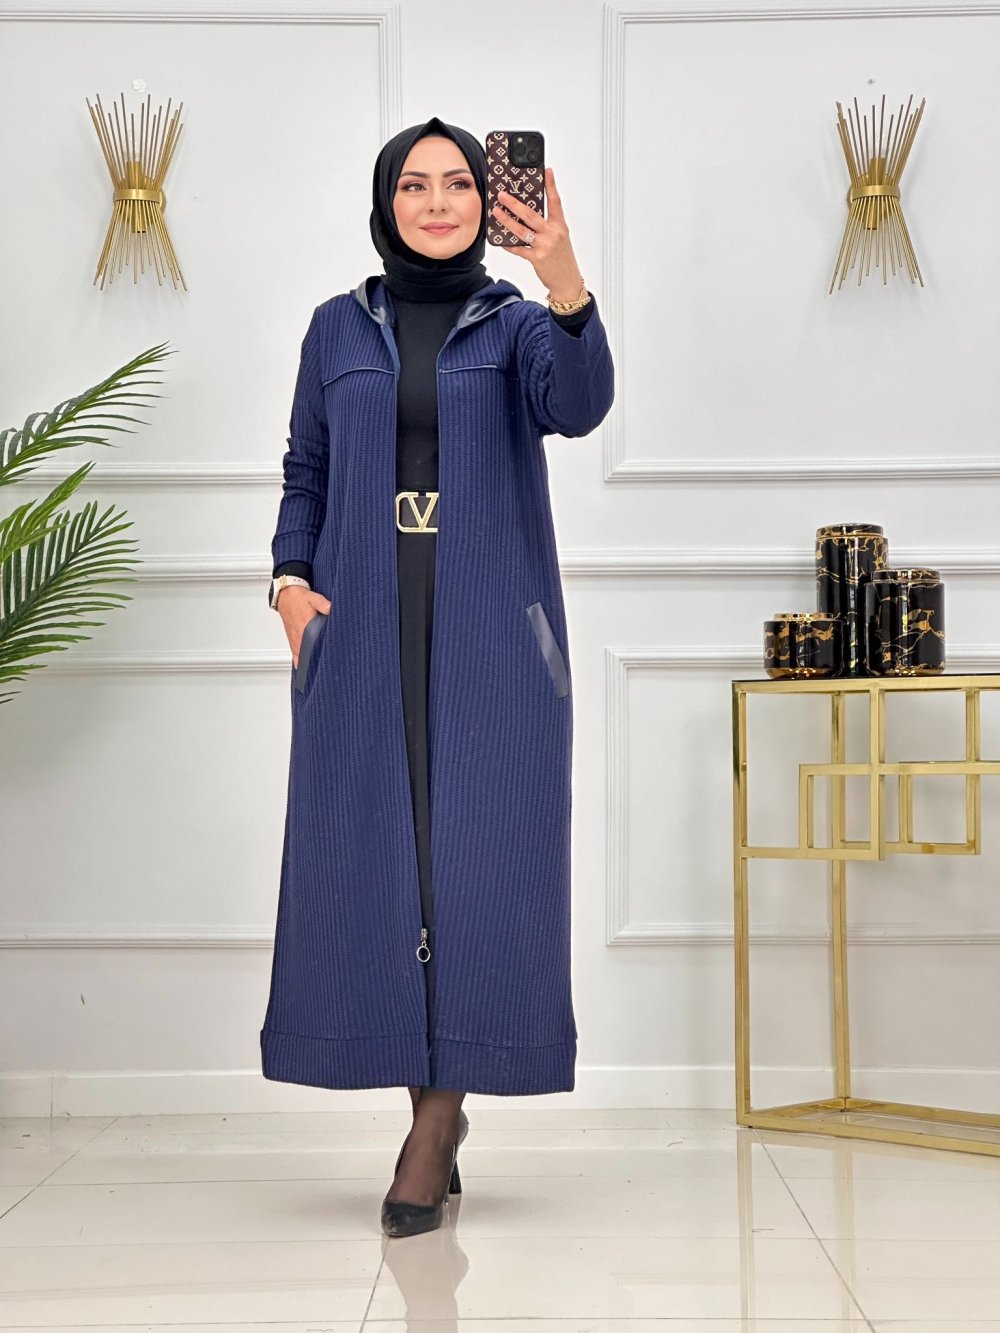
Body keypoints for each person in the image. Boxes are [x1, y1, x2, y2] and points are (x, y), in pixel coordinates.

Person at [261, 116, 615, 1238]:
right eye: (414, 185)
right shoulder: (337, 327)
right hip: (362, 619)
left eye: (459, 182)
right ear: (386, 204)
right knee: (384, 863)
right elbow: (307, 467)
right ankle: (432, 1114)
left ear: (485, 200)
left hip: (490, 628)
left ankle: (434, 1126)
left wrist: (562, 277)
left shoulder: (516, 324)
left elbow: (579, 405)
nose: (438, 202)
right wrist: (289, 584)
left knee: (476, 866)